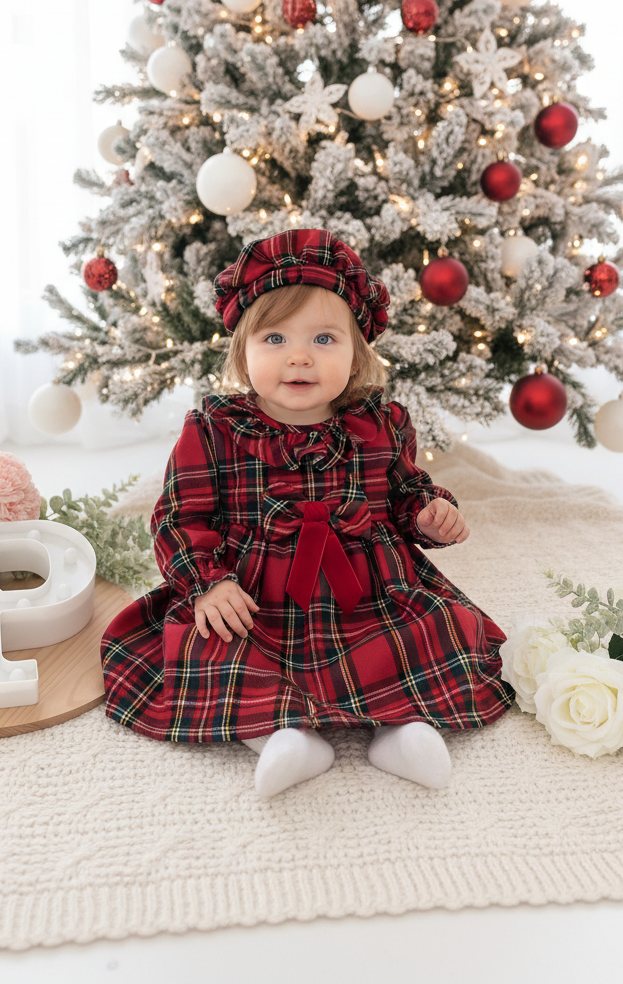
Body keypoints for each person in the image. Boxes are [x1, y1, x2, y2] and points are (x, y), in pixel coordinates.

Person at [101, 229, 513, 797]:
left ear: (357, 353)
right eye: (274, 338)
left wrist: (427, 514)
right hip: (253, 596)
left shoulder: (378, 424)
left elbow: (403, 493)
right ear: (242, 353)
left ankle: (402, 731)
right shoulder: (215, 430)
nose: (299, 356)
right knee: (213, 651)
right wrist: (207, 584)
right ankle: (281, 738)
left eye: (324, 338)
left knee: (432, 632)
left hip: (368, 593)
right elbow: (179, 518)